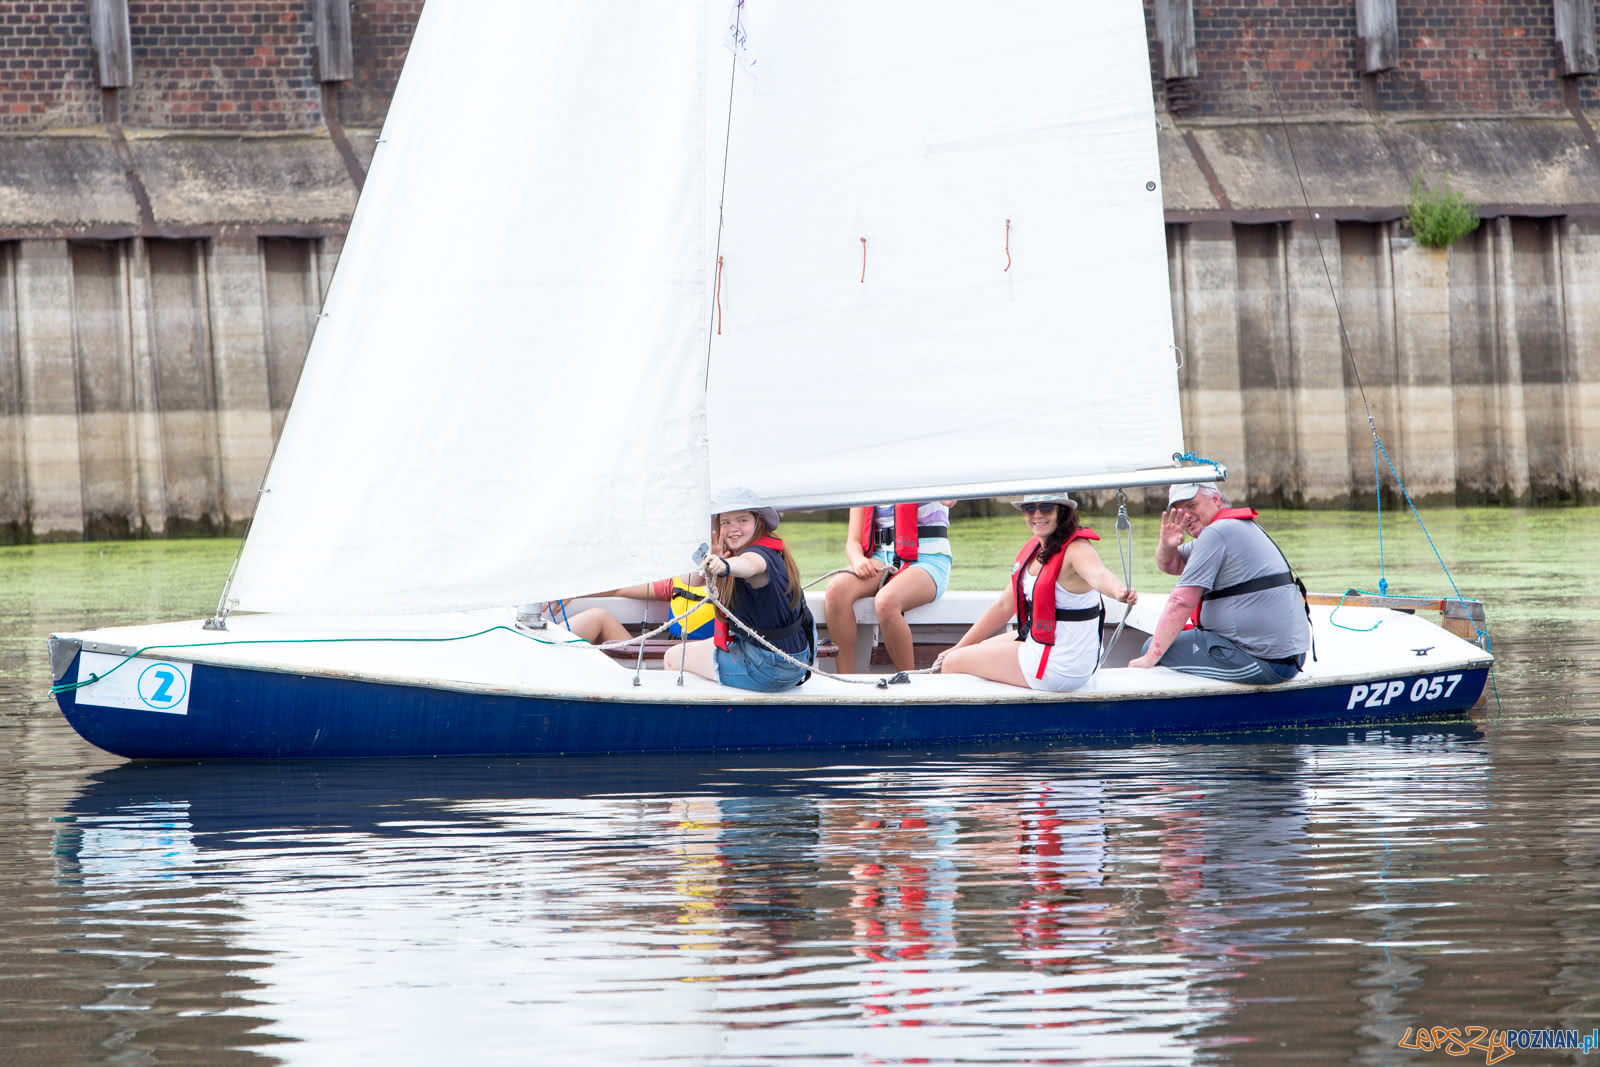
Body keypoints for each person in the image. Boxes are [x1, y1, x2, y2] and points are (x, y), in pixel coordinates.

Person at [932, 494, 1136, 691]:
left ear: (1062, 512)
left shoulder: (1078, 549)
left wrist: (1118, 591)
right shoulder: (1036, 549)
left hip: (1061, 665)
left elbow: (1098, 575)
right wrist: (958, 646)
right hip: (1050, 648)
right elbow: (1003, 606)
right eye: (1030, 508)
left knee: (951, 664)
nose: (1037, 515)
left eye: (1046, 508)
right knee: (971, 650)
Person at [1128, 481, 1310, 684]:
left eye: (1191, 506)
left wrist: (1150, 658)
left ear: (1215, 499)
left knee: (1152, 650)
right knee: (1163, 645)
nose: (1186, 516)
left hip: (1262, 661)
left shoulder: (1216, 533)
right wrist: (1166, 544)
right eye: (1179, 511)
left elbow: (1180, 602)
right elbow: (1172, 565)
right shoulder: (1229, 527)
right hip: (1287, 658)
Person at [664, 487, 815, 691]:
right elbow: (688, 580)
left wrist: (725, 566)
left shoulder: (758, 555)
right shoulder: (764, 551)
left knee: (672, 658)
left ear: (758, 522)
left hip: (769, 666)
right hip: (796, 662)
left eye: (742, 520)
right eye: (726, 522)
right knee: (704, 648)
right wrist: (712, 559)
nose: (733, 528)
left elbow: (750, 565)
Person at [823, 501, 954, 672]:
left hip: (930, 558)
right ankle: (847, 682)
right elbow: (853, 543)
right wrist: (858, 559)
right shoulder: (865, 479)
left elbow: (950, 500)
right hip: (880, 558)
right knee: (836, 590)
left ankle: (909, 684)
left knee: (886, 601)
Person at [558, 523, 721, 645]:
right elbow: (619, 589)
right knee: (597, 617)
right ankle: (543, 652)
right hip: (661, 659)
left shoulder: (737, 584)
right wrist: (573, 591)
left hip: (706, 664)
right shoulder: (679, 581)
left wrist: (722, 569)